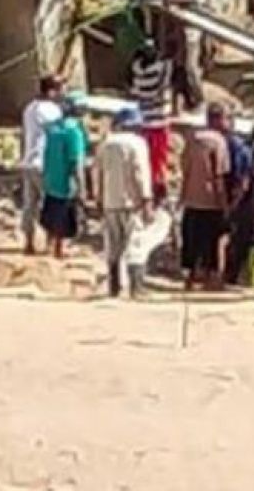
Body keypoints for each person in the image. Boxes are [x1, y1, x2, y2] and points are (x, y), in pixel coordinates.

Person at [95, 107, 153, 298]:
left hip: (110, 202)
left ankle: (114, 286)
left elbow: (97, 173)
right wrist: (146, 201)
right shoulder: (138, 144)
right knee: (135, 244)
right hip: (131, 202)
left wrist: (98, 198)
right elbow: (141, 173)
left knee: (113, 245)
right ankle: (136, 287)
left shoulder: (106, 144)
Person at [179, 102, 232, 290]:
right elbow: (219, 174)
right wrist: (224, 204)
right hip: (211, 200)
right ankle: (211, 278)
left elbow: (184, 168)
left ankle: (190, 277)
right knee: (211, 241)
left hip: (191, 199)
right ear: (217, 120)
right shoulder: (219, 142)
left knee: (191, 240)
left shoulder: (192, 138)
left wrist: (181, 196)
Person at [149, 0, 206, 114]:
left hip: (189, 28)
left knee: (189, 67)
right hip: (171, 27)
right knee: (171, 66)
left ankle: (197, 100)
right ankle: (175, 105)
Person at [19, 74, 64, 255]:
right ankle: (50, 243)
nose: (62, 93)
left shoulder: (29, 108)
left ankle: (28, 243)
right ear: (52, 91)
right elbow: (57, 135)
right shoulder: (52, 110)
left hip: (28, 161)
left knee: (30, 204)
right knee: (51, 203)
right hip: (45, 162)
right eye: (60, 89)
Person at [39, 95, 88, 259]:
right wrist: (82, 188)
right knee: (64, 217)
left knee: (50, 212)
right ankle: (59, 250)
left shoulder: (53, 129)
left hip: (50, 179)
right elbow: (76, 162)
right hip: (65, 183)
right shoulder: (74, 132)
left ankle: (48, 245)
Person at [129, 38, 173, 203]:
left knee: (146, 158)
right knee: (159, 160)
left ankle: (147, 188)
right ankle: (157, 190)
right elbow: (165, 81)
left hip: (143, 120)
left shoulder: (137, 71)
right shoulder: (161, 70)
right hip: (159, 121)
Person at [218, 110, 253, 282]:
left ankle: (224, 273)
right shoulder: (239, 147)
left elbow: (242, 179)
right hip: (235, 197)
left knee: (226, 235)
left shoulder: (233, 146)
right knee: (234, 236)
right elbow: (244, 179)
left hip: (229, 196)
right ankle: (229, 273)